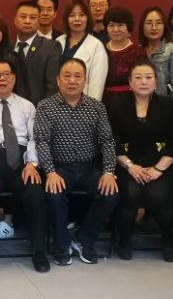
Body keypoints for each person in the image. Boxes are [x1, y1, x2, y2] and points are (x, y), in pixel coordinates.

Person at [0, 59, 50, 273]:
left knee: (36, 192)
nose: (1, 79)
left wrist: (32, 163)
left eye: (6, 74)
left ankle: (39, 250)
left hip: (22, 164)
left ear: (14, 78)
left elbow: (35, 138)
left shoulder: (27, 106)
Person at [35, 57, 119, 265]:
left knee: (111, 193)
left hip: (90, 167)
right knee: (53, 195)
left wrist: (109, 172)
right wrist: (50, 172)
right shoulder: (45, 107)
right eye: (67, 76)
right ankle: (62, 244)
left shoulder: (96, 107)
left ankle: (83, 239)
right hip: (60, 168)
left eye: (77, 76)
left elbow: (107, 141)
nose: (72, 81)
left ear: (85, 81)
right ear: (58, 80)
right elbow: (42, 142)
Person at [107, 59, 173, 261]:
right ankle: (124, 241)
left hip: (162, 164)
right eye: (138, 77)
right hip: (127, 164)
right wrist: (130, 167)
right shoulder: (116, 106)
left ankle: (168, 241)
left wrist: (158, 169)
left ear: (155, 81)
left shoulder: (167, 105)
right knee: (130, 191)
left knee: (160, 191)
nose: (144, 82)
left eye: (149, 77)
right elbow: (111, 141)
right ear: (130, 82)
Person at [54, 0, 108, 100]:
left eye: (82, 15)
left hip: (83, 103)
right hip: (57, 102)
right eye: (72, 15)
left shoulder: (96, 46)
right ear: (66, 19)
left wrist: (90, 107)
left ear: (88, 18)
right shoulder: (58, 41)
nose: (77, 19)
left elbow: (96, 85)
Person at [139, 6, 173, 110]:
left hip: (165, 109)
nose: (154, 27)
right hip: (140, 108)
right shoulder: (137, 51)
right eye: (149, 23)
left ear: (164, 26)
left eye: (159, 23)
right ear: (142, 26)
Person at [11, 1, 60, 105]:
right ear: (15, 21)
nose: (27, 21)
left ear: (38, 22)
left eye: (32, 18)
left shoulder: (50, 47)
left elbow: (52, 87)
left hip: (40, 110)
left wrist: (43, 111)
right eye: (23, 17)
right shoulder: (7, 48)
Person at [103, 7, 148, 104]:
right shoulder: (100, 50)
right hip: (103, 102)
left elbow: (143, 82)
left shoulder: (138, 53)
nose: (116, 29)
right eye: (111, 25)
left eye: (120, 25)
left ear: (129, 27)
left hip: (130, 102)